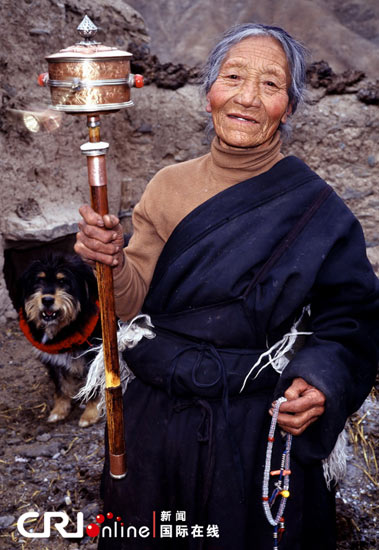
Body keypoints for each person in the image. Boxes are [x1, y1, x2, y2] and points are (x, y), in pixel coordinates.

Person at [75, 23, 379, 550]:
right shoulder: (169, 186)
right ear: (209, 92)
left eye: (270, 84)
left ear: (289, 105)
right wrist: (111, 261)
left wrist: (319, 380)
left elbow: (350, 320)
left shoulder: (316, 210)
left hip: (255, 424)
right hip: (157, 422)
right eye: (233, 76)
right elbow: (132, 298)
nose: (247, 98)